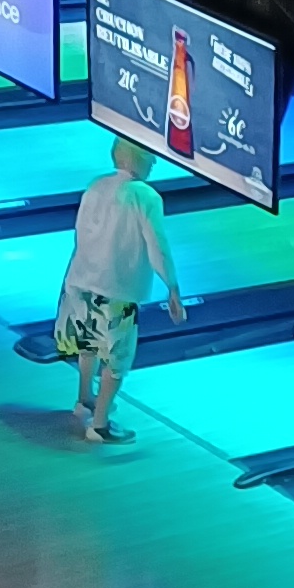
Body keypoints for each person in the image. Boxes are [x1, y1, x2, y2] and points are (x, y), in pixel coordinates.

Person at [52, 136, 188, 442]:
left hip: (79, 279)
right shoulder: (146, 196)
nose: (155, 161)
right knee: (117, 360)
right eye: (150, 156)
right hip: (116, 291)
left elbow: (80, 232)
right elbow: (157, 247)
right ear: (134, 159)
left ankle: (84, 400)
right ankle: (100, 425)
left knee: (88, 344)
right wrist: (173, 288)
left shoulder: (96, 185)